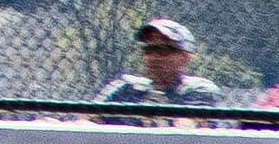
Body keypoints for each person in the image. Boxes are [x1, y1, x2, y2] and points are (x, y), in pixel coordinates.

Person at [95, 16, 226, 115]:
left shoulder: (199, 90)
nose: (153, 57)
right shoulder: (125, 87)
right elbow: (87, 122)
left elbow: (186, 132)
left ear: (184, 57)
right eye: (148, 50)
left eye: (163, 50)